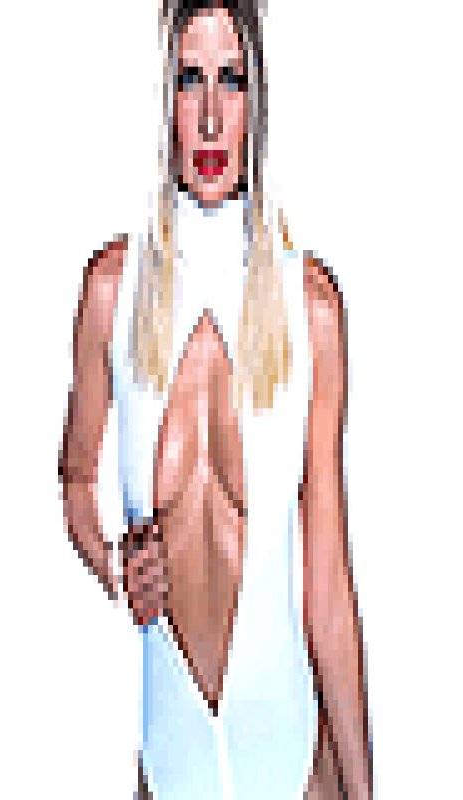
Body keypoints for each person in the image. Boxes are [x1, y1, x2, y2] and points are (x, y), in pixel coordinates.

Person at [59, 1, 372, 797]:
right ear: (159, 98)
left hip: (295, 765)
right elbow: (75, 479)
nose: (207, 117)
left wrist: (367, 790)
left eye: (230, 80)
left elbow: (329, 585)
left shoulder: (311, 309)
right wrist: (113, 563)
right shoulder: (112, 293)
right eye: (186, 79)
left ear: (257, 100)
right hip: (170, 767)